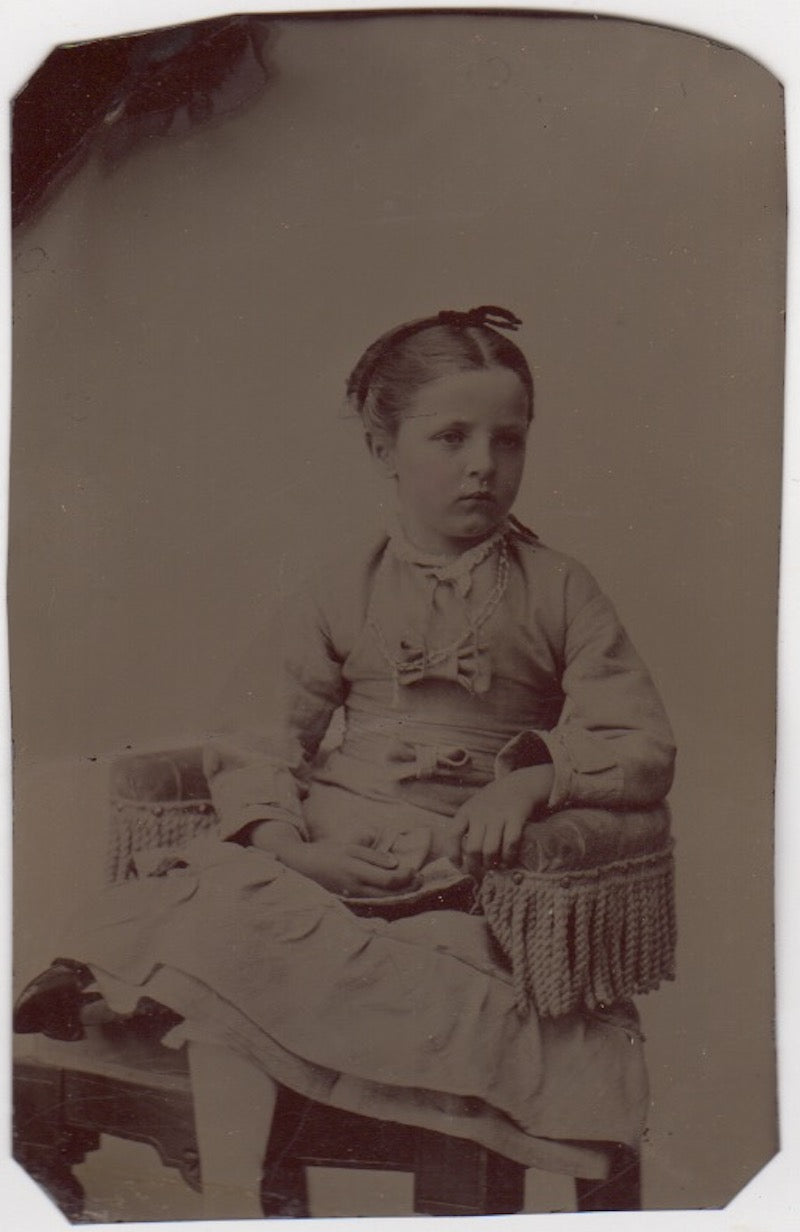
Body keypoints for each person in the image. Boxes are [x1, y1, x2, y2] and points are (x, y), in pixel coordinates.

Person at [16, 306, 676, 1218]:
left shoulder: (560, 589)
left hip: (452, 869)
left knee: (434, 966)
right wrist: (289, 843)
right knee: (232, 906)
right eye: (450, 437)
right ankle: (238, 1201)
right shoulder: (344, 585)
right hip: (330, 856)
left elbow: (638, 743)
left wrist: (533, 780)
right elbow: (257, 735)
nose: (483, 463)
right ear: (384, 447)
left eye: (508, 439)